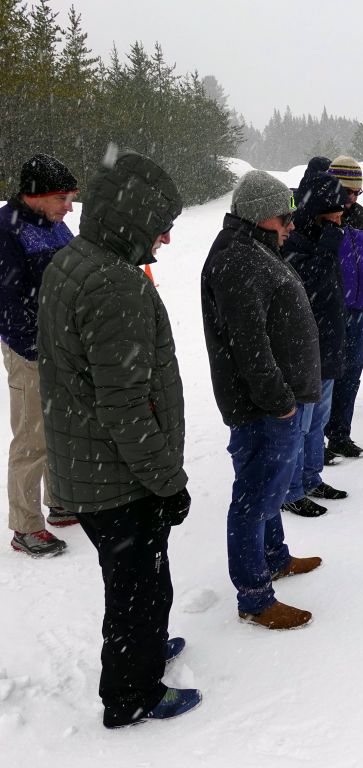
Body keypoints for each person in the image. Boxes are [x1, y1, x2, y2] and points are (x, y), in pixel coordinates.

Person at [37, 151, 200, 727]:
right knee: (138, 587)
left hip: (92, 461)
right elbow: (126, 406)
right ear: (132, 223)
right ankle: (132, 694)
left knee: (138, 582)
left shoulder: (76, 260)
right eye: (162, 228)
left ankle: (145, 649)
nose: (166, 241)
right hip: (118, 476)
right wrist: (167, 481)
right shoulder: (114, 286)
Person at [202, 170, 323, 631]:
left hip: (272, 403)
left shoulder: (254, 248)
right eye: (283, 217)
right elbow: (248, 344)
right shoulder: (238, 259)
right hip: (263, 408)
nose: (290, 226)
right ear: (257, 215)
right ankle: (254, 595)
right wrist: (281, 402)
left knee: (267, 490)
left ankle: (274, 557)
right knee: (253, 497)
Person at [0, 154, 80, 556]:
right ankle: (25, 525)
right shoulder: (6, 229)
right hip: (29, 349)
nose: (69, 207)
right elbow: (9, 302)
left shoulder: (56, 225)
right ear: (35, 195)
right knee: (32, 436)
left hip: (64, 345)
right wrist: (34, 347)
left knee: (63, 426)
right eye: (62, 198)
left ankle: (60, 501)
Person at [280, 164, 350, 517]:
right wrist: (325, 249)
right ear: (318, 214)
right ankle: (291, 489)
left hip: (328, 342)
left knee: (317, 422)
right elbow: (306, 291)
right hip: (304, 350)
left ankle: (310, 477)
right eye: (335, 216)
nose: (340, 222)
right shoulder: (294, 240)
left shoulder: (325, 235)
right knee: (300, 424)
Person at [324, 155, 363, 460]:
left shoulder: (362, 216)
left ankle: (339, 435)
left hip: (358, 311)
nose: (353, 197)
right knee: (324, 377)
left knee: (351, 373)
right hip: (328, 312)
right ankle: (314, 445)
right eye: (348, 191)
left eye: (357, 192)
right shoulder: (320, 213)